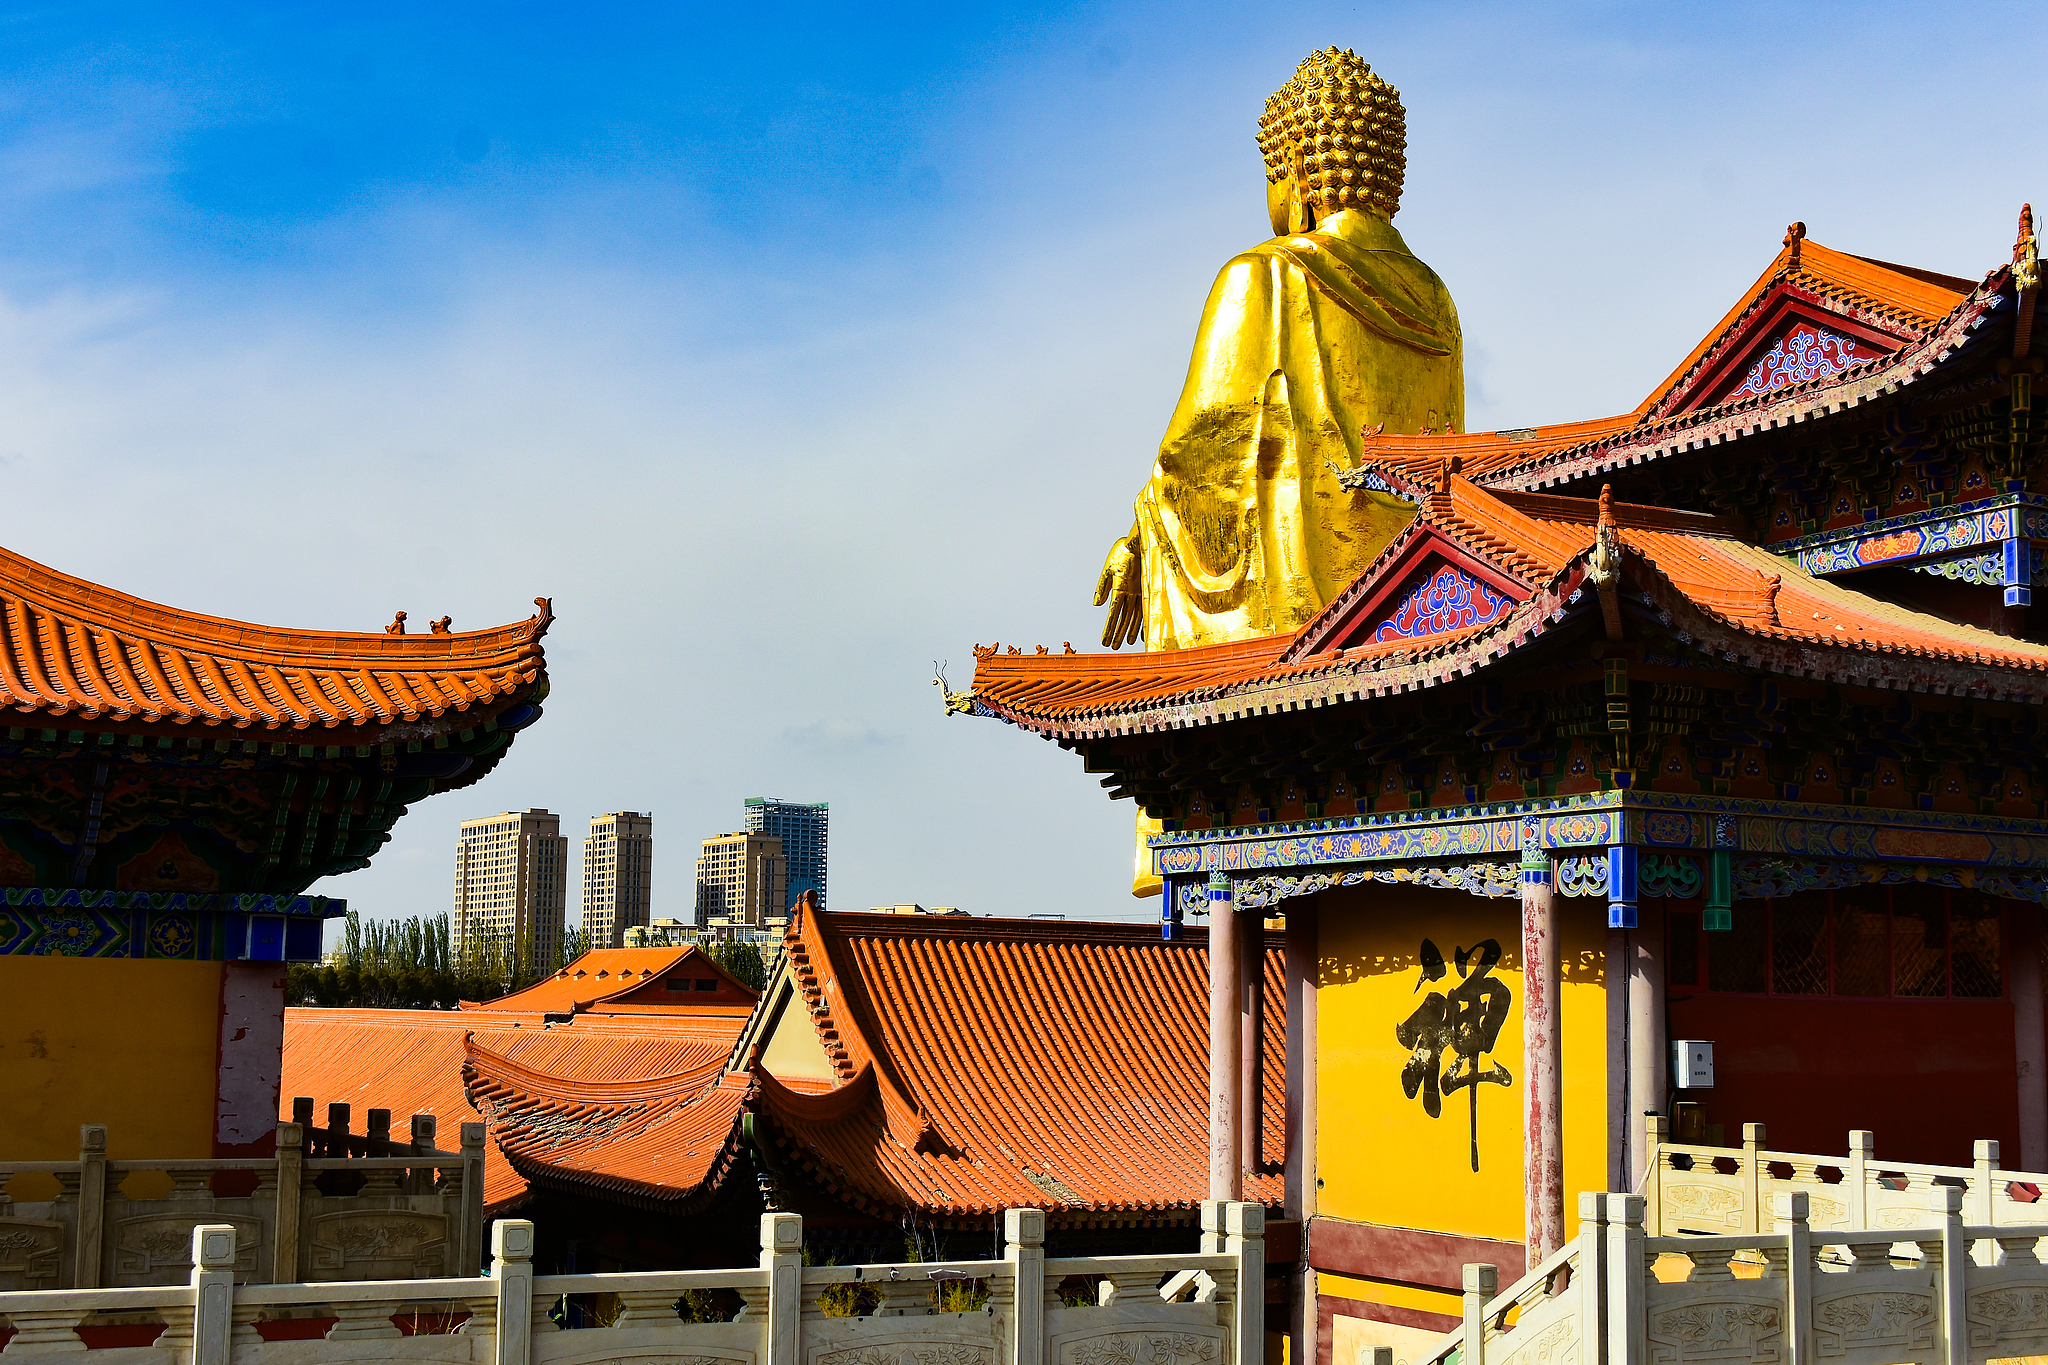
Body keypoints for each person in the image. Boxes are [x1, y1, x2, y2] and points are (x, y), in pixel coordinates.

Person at [1094, 47, 1465, 653]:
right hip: (1418, 608)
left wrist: (1140, 535)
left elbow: (1200, 457)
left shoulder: (1263, 276)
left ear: (1296, 166)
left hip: (1294, 622)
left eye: (1270, 175)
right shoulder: (1437, 299)